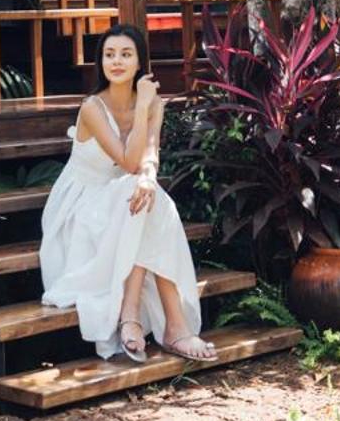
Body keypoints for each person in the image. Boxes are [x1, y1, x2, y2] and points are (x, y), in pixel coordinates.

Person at [38, 24, 219, 362]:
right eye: (109, 55)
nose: (116, 62)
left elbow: (149, 157)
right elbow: (128, 160)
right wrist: (142, 111)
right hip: (82, 203)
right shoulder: (92, 107)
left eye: (125, 54)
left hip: (126, 195)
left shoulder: (152, 102)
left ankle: (137, 317)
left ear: (139, 63)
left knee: (147, 197)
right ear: (100, 63)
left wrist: (150, 177)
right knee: (141, 196)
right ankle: (168, 325)